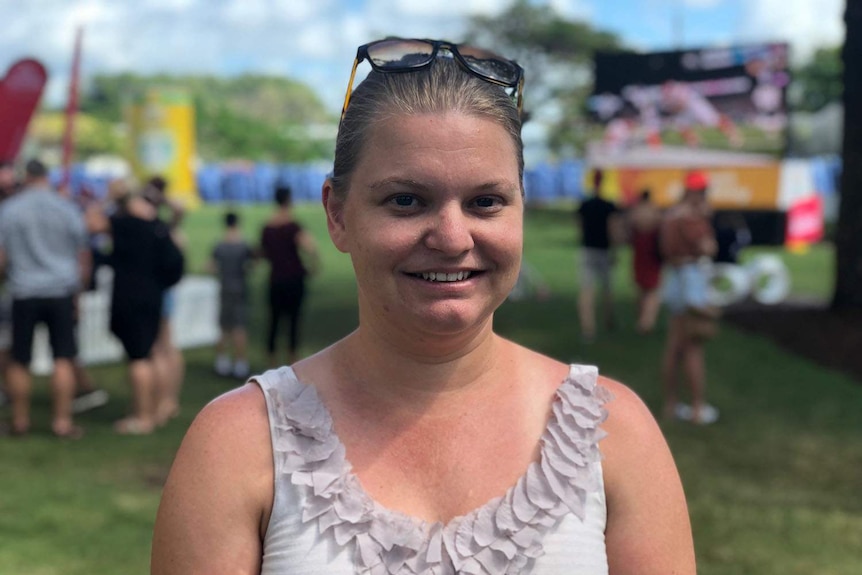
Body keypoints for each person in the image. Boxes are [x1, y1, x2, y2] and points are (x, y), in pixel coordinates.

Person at [152, 38, 695, 574]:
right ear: (337, 215)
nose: (453, 237)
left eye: (486, 201)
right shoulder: (240, 445)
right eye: (406, 200)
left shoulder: (612, 434)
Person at [0, 159, 90, 438]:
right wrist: (79, 291)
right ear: (46, 177)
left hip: (24, 291)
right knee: (63, 357)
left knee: (20, 358)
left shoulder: (10, 209)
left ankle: (20, 420)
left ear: (26, 177)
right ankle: (62, 421)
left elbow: (2, 257)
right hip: (60, 290)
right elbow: (83, 256)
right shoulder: (66, 207)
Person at [86, 180, 183, 434]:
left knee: (138, 358)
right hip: (154, 294)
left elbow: (92, 222)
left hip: (129, 296)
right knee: (152, 351)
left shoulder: (125, 224)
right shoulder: (157, 227)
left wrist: (107, 198)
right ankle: (159, 406)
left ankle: (143, 417)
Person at [659, 170, 720, 425]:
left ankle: (672, 404)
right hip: (690, 280)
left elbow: (666, 250)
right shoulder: (691, 218)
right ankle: (697, 407)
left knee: (675, 345)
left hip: (677, 279)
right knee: (693, 346)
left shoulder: (673, 215)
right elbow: (708, 247)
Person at [259, 184, 319, 367]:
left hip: (276, 279)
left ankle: (272, 362)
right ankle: (293, 361)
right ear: (289, 199)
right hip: (294, 278)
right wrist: (313, 266)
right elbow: (310, 247)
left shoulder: (268, 227)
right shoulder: (293, 226)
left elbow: (263, 253)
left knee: (274, 322)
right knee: (294, 321)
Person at [143, 175, 187, 426]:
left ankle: (165, 401)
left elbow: (179, 210)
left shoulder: (161, 228)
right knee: (165, 347)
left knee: (162, 347)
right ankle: (167, 399)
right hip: (161, 289)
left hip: (159, 291)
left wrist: (157, 197)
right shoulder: (162, 228)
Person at [575, 169, 622, 342]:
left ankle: (588, 328)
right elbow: (613, 229)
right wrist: (615, 250)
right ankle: (609, 320)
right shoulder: (608, 206)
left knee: (586, 290)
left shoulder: (584, 205)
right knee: (607, 288)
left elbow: (579, 226)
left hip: (587, 249)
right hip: (603, 250)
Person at [210, 210, 255, 379]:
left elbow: (212, 266)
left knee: (224, 326)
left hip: (225, 287)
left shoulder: (220, 245)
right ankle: (240, 364)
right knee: (239, 327)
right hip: (240, 287)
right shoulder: (243, 245)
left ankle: (221, 361)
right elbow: (252, 263)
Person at [627, 189, 663, 333]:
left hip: (639, 251)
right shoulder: (656, 211)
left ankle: (642, 318)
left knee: (641, 287)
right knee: (652, 289)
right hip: (652, 252)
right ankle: (647, 321)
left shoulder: (635, 212)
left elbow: (629, 232)